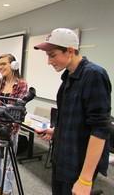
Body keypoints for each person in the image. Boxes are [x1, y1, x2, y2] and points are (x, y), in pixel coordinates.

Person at [34, 28, 112, 195]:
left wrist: (85, 178)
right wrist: (55, 131)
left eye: (52, 55)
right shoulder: (68, 76)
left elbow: (100, 129)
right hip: (61, 158)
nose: (49, 61)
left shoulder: (94, 75)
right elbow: (73, 119)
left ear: (70, 51)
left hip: (77, 164)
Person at [0, 54, 28, 195]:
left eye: (4, 63)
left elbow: (17, 108)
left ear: (14, 65)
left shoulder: (21, 84)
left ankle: (7, 191)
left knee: (9, 162)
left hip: (11, 129)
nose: (1, 67)